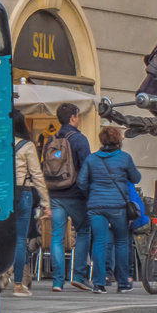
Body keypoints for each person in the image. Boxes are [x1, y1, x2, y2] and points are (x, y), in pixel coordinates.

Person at [77, 124, 141, 293]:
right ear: (118, 140)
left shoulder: (91, 159)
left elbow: (81, 182)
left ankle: (99, 284)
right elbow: (136, 178)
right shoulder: (125, 158)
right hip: (118, 206)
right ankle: (123, 283)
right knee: (121, 242)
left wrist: (92, 194)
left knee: (99, 242)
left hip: (96, 206)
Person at [45, 103, 92, 292]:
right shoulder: (80, 139)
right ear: (73, 117)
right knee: (83, 231)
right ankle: (79, 275)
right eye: (78, 116)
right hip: (75, 194)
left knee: (57, 236)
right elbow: (87, 167)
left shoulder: (51, 140)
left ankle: (57, 281)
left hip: (55, 193)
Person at [11, 110, 51, 297]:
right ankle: (18, 284)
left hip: (1, 193)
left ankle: (2, 274)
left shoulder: (0, 143)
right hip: (23, 192)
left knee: (2, 238)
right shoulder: (27, 146)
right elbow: (36, 175)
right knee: (20, 240)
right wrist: (45, 201)